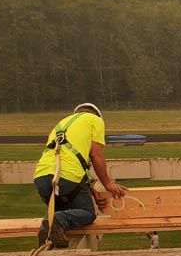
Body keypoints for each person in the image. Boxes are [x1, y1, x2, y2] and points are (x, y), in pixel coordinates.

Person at [33, 103, 128, 248]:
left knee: (61, 208)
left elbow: (74, 157)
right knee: (87, 213)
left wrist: (91, 189)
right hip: (67, 177)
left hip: (41, 178)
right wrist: (108, 184)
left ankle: (48, 232)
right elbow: (95, 155)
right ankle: (56, 220)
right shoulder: (95, 121)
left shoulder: (61, 124)